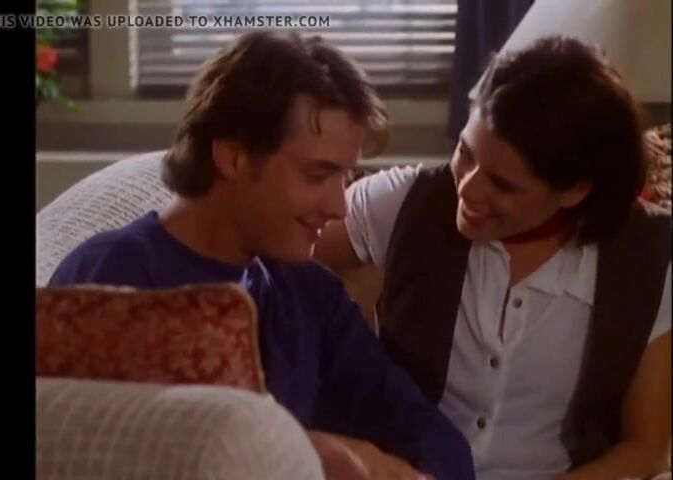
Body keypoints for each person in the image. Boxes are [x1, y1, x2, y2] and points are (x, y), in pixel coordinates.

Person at [48, 31, 475, 480]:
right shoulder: (109, 278)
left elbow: (433, 438)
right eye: (317, 175)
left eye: (344, 178)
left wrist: (381, 466)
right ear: (232, 157)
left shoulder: (308, 294)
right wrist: (301, 451)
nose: (339, 207)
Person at [315, 36, 671, 480]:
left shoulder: (647, 256)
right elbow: (267, 249)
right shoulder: (405, 202)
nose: (467, 189)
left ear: (574, 191)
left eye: (503, 184)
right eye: (466, 153)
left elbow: (646, 446)